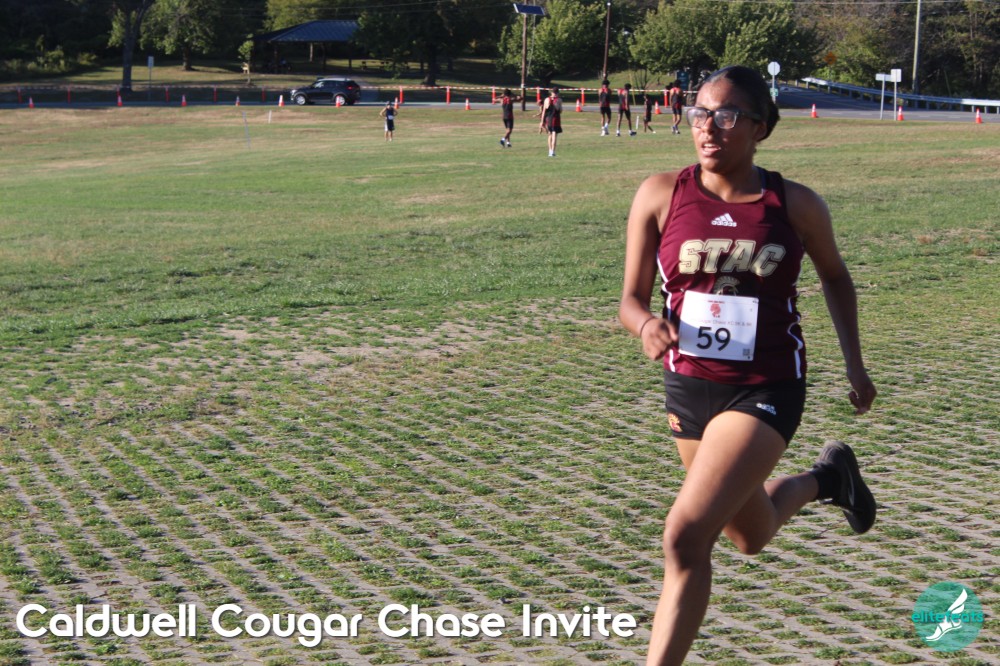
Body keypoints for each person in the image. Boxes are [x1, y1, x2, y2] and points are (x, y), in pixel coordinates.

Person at [618, 65, 877, 666]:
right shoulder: (660, 193)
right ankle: (828, 480)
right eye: (699, 114)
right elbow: (629, 300)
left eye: (727, 115)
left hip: (766, 387)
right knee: (750, 534)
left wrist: (855, 365)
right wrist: (646, 325)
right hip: (688, 387)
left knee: (685, 536)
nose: (708, 128)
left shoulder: (796, 204)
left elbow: (835, 277)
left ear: (760, 127)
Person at [540, 87, 563, 157]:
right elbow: (560, 110)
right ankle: (553, 151)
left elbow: (544, 111)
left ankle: (550, 151)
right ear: (558, 92)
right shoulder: (559, 100)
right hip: (555, 119)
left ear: (551, 92)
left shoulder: (546, 99)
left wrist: (542, 121)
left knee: (549, 135)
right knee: (554, 135)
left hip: (548, 119)